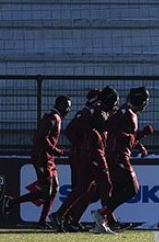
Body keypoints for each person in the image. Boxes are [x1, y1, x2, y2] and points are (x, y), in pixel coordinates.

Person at [51, 86, 119, 232]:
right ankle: (107, 220)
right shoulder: (93, 113)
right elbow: (73, 130)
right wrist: (84, 143)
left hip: (89, 154)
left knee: (84, 188)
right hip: (93, 155)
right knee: (105, 186)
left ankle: (62, 216)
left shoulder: (94, 112)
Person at [3, 95, 71, 229]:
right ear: (61, 105)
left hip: (48, 157)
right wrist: (56, 150)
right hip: (42, 157)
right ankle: (12, 202)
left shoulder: (54, 117)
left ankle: (42, 221)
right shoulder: (52, 117)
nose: (69, 110)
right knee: (47, 191)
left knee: (54, 188)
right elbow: (40, 137)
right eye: (67, 106)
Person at [92, 86, 154, 234]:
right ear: (141, 101)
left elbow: (128, 138)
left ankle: (102, 221)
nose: (146, 104)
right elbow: (108, 126)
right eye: (145, 101)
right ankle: (101, 214)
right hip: (118, 156)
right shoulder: (125, 113)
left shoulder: (128, 112)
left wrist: (139, 139)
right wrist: (128, 136)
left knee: (120, 190)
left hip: (119, 155)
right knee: (133, 189)